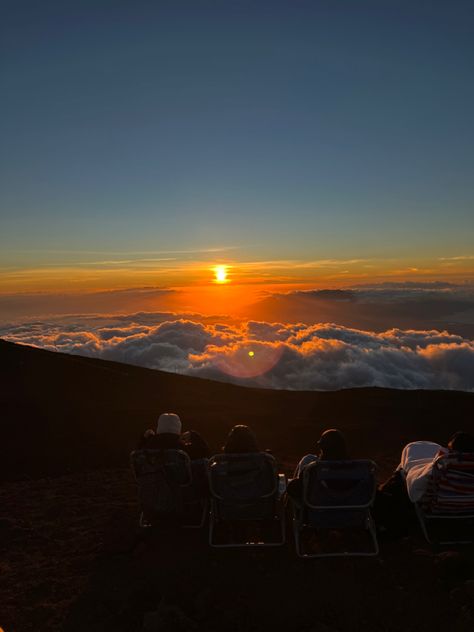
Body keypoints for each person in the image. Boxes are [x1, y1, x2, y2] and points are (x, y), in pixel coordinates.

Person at [375, 431, 474, 536]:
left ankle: (383, 499)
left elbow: (415, 487)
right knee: (402, 471)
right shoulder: (466, 467)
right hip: (468, 507)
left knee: (402, 473)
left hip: (437, 506)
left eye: (449, 450)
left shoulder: (443, 464)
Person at [287, 428, 348, 504]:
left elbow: (294, 490)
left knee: (308, 458)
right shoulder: (357, 469)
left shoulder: (312, 469)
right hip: (351, 512)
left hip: (318, 512)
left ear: (322, 448)